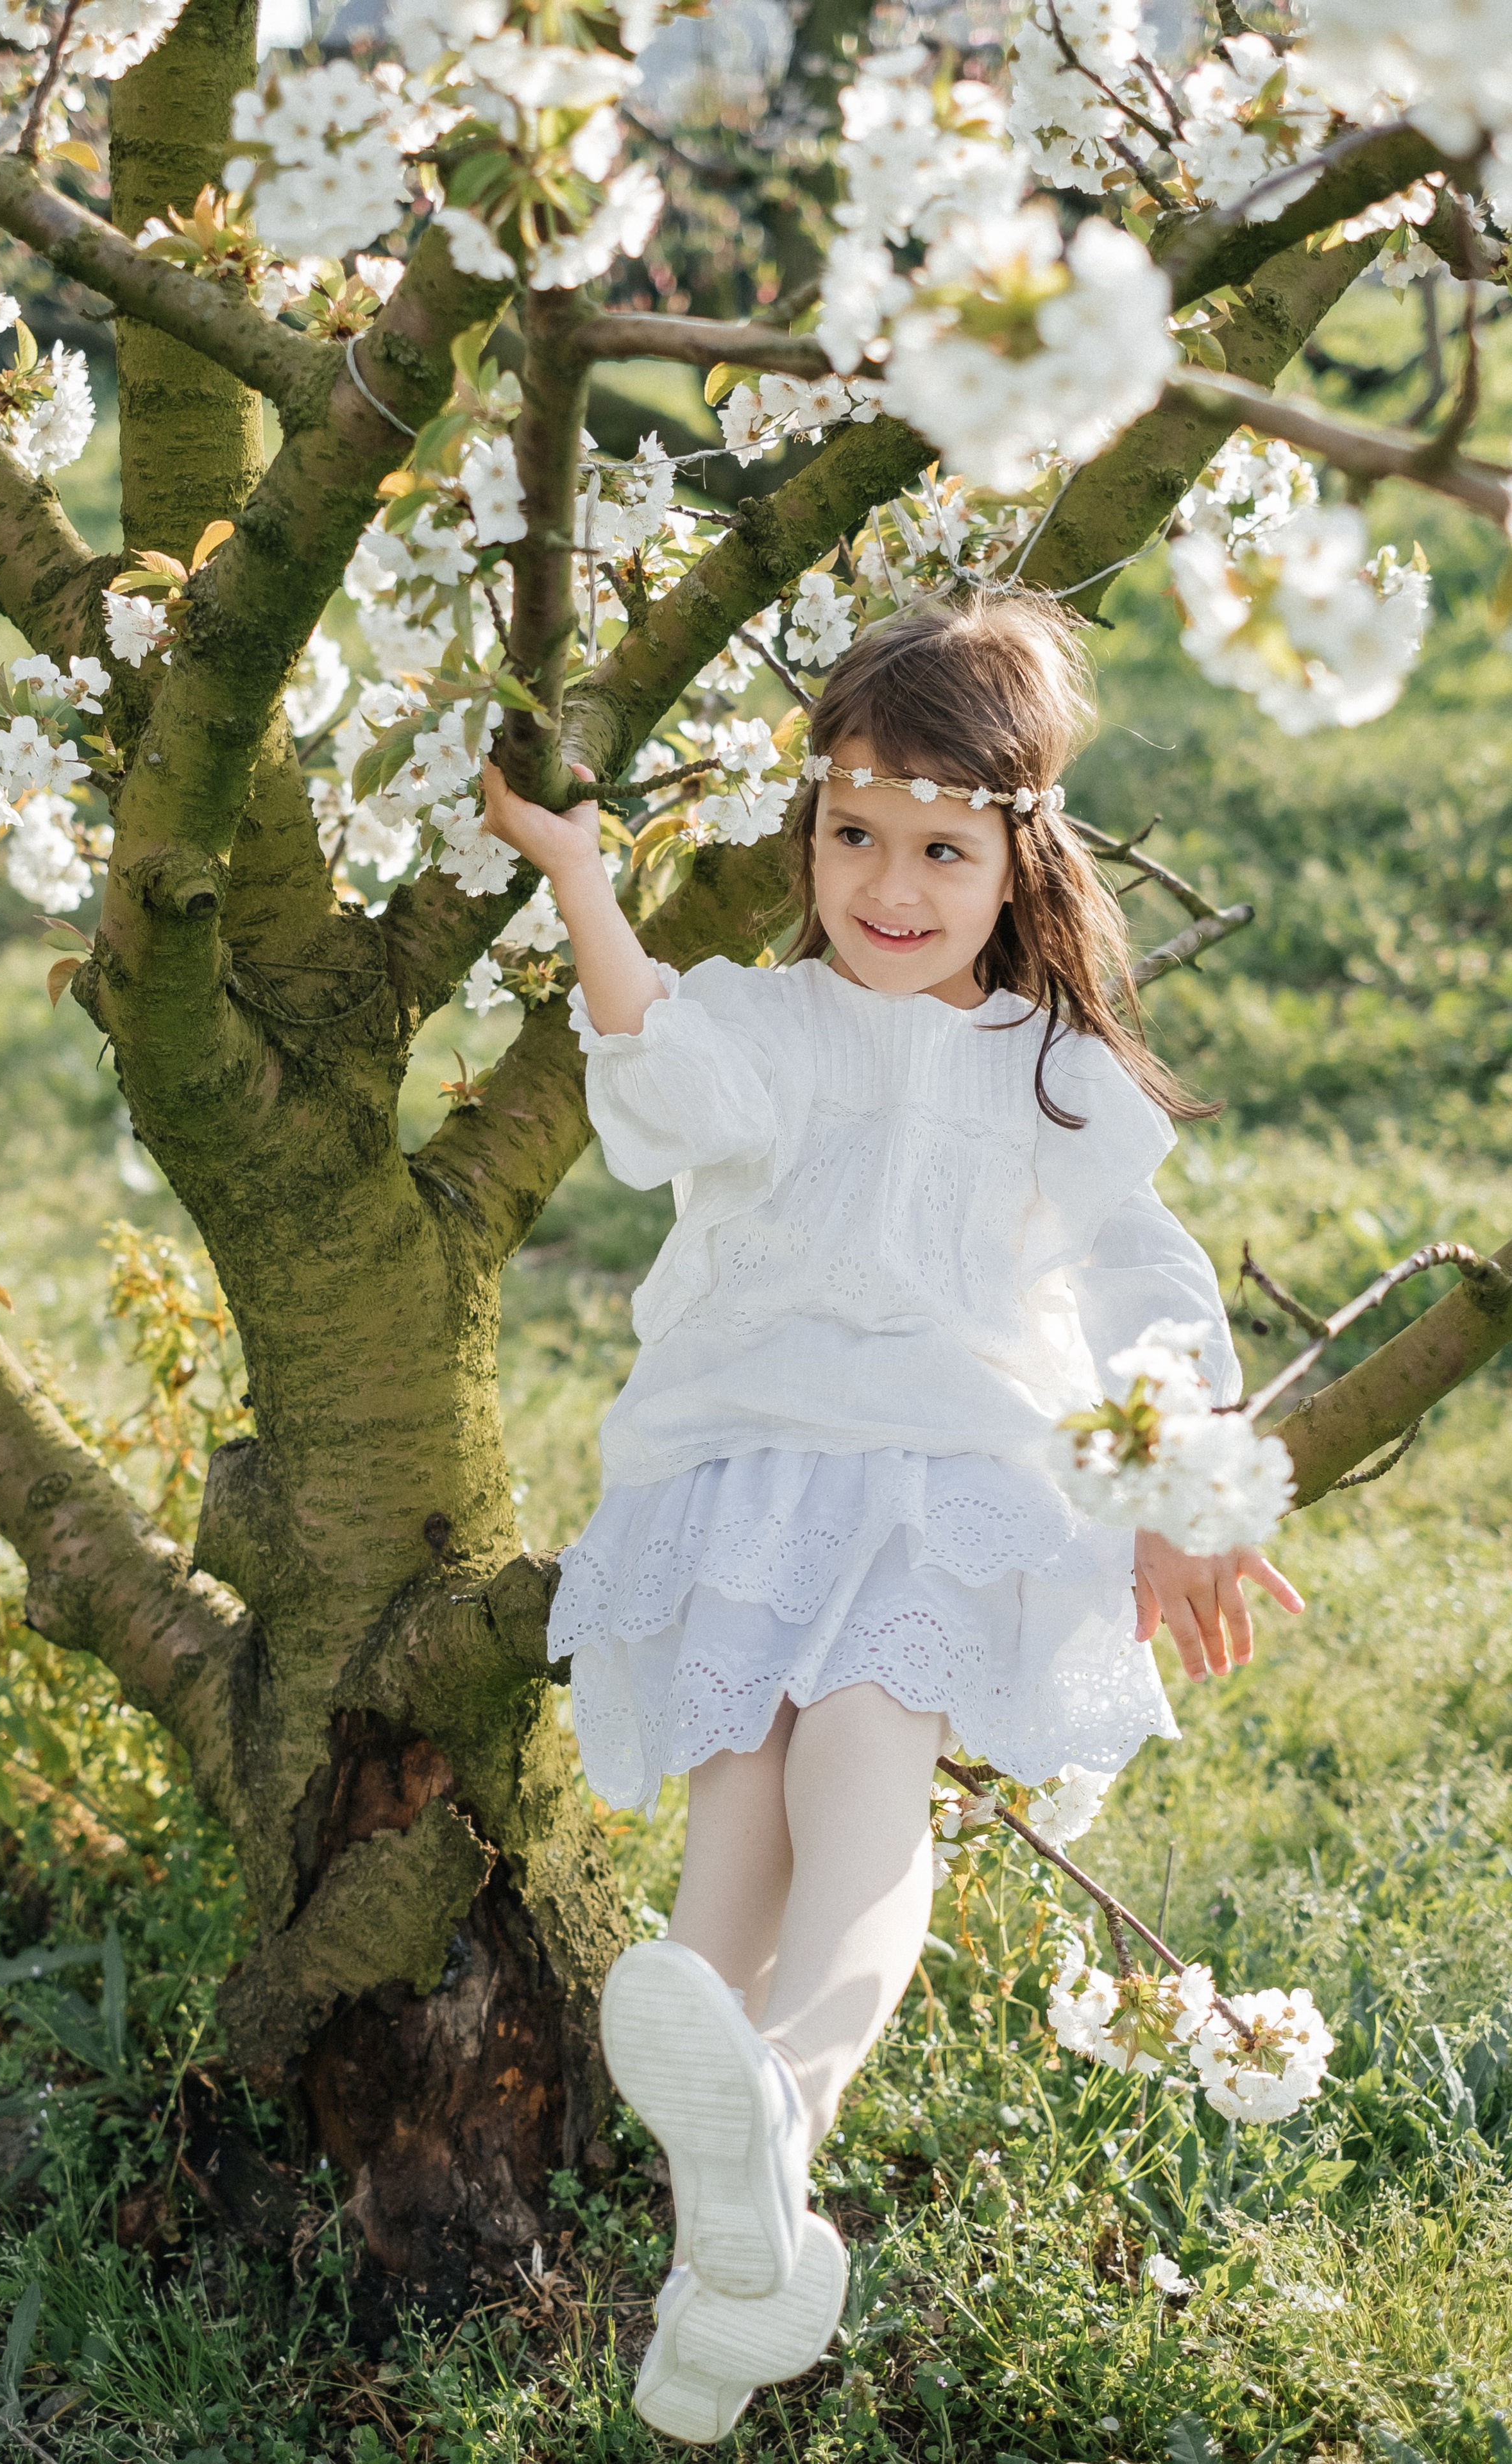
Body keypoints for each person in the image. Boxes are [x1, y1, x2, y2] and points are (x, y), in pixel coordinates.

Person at [480, 591, 1303, 2446]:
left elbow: (1149, 1286)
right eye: (854, 835)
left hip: (943, 1481)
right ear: (810, 834)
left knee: (858, 1781)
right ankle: (732, 2270)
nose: (890, 886)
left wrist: (1186, 1486)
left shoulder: (1049, 1072)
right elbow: (654, 1067)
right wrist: (580, 877)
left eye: (942, 850)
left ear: (1021, 864)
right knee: (730, 1847)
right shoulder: (765, 1024)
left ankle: (785, 2099)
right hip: (750, 1477)